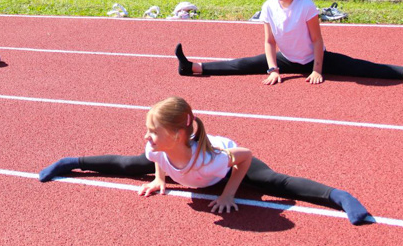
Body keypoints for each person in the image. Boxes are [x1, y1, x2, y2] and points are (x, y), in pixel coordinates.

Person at [39, 96, 370, 225]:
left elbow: (244, 157)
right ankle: (71, 161)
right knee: (128, 166)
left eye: (153, 131)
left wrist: (228, 193)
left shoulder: (211, 159)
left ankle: (339, 197)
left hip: (226, 170)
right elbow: (154, 157)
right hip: (185, 165)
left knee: (272, 182)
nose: (146, 137)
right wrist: (159, 177)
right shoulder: (158, 148)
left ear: (178, 134)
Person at [175, 0, 403, 84]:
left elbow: (317, 40)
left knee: (361, 67)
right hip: (286, 58)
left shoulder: (306, 6)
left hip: (313, 58)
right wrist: (273, 69)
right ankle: (193, 68)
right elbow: (269, 41)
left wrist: (317, 69)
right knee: (241, 64)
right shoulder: (268, 6)